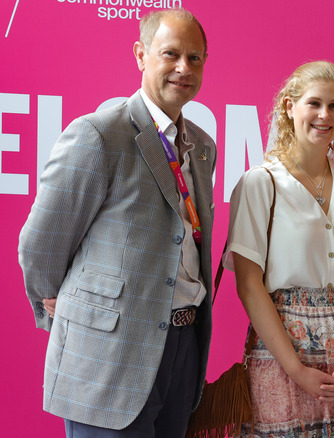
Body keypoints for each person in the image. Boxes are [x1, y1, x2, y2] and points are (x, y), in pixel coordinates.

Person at [18, 8, 215, 437]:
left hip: (183, 346)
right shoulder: (98, 135)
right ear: (141, 55)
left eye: (195, 58)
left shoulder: (202, 145)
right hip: (110, 352)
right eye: (171, 54)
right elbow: (40, 242)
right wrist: (65, 306)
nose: (184, 68)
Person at [223, 61, 334, 437]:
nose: (325, 115)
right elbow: (248, 284)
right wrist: (295, 369)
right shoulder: (260, 184)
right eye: (314, 103)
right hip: (280, 355)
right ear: (289, 107)